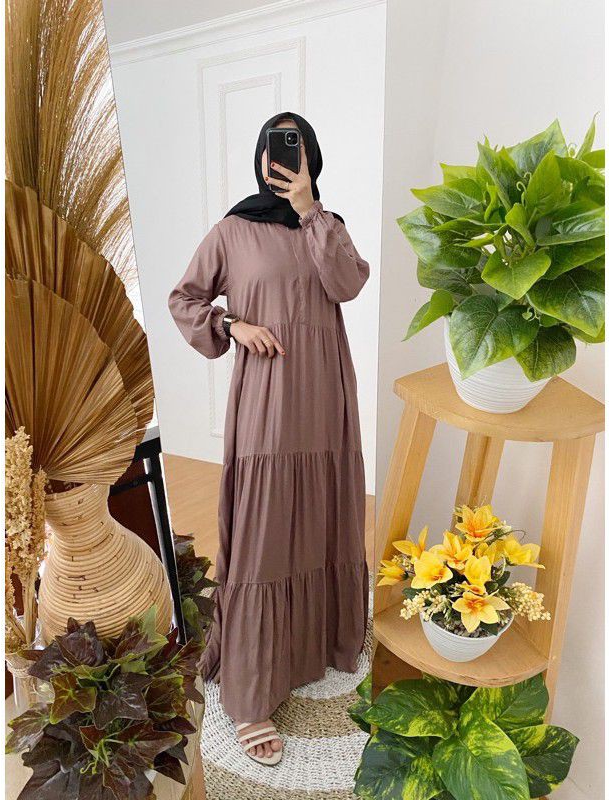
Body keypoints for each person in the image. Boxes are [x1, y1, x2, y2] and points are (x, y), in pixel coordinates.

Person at [168, 112, 369, 766]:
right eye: (274, 147)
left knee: (323, 514)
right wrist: (232, 325)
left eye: (296, 146)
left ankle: (319, 644)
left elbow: (347, 284)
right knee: (263, 526)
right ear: (260, 158)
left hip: (325, 396)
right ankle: (252, 692)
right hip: (268, 396)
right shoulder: (233, 230)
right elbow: (185, 299)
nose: (282, 157)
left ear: (311, 157)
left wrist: (310, 210)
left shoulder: (327, 227)